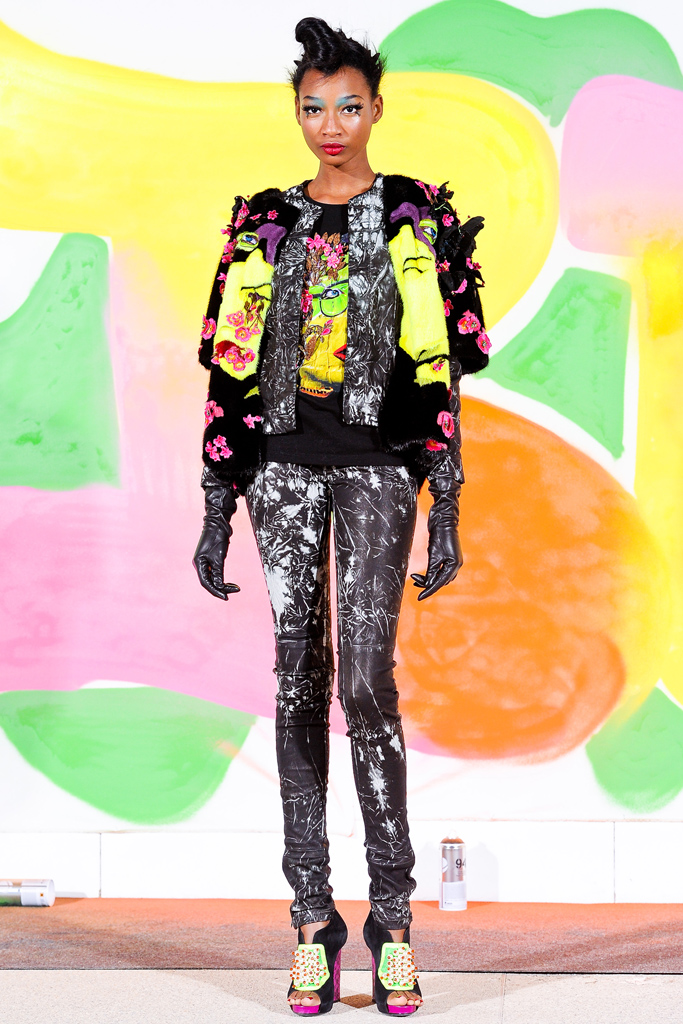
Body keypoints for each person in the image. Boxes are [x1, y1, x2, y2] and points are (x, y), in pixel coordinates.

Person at [193, 16, 489, 1016]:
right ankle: (311, 922)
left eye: (348, 105)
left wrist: (446, 501)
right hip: (280, 473)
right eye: (314, 106)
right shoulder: (263, 224)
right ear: (296, 112)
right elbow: (230, 365)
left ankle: (392, 925)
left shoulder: (412, 216)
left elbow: (438, 370)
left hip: (377, 473)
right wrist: (216, 501)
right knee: (295, 685)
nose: (331, 123)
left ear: (375, 110)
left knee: (366, 685)